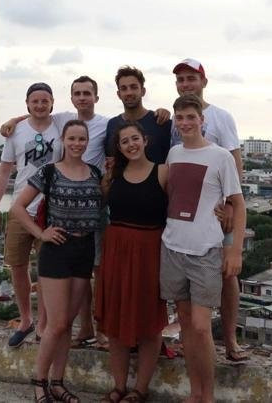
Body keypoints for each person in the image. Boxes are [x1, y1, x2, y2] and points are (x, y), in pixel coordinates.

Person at [0, 75, 116, 347]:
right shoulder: (63, 118)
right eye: (77, 93)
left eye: (88, 93)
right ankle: (50, 324)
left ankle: (95, 329)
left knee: (91, 271)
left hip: (90, 205)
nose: (83, 97)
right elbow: (37, 113)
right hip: (55, 203)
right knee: (55, 270)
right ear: (71, 98)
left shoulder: (107, 123)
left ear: (96, 97)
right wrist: (12, 122)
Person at [10, 119, 103, 403]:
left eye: (82, 139)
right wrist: (41, 233)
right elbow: (18, 207)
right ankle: (39, 382)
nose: (77, 144)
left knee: (68, 323)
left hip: (84, 249)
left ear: (87, 142)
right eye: (72, 138)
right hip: (56, 250)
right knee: (57, 323)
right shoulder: (48, 172)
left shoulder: (95, 173)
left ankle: (59, 382)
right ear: (63, 140)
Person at [161, 94, 245, 403]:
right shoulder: (173, 154)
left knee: (200, 327)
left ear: (202, 120)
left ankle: (206, 395)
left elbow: (238, 204)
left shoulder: (220, 156)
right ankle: (194, 391)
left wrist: (234, 250)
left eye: (190, 117)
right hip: (173, 247)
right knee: (185, 325)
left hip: (205, 250)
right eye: (179, 118)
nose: (185, 123)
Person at [171, 58, 247, 362]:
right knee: (180, 278)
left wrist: (230, 205)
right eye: (181, 80)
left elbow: (235, 162)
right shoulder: (177, 116)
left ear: (203, 81)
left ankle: (230, 340)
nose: (186, 83)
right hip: (185, 213)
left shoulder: (220, 117)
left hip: (218, 211)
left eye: (191, 78)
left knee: (228, 273)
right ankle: (188, 339)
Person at [95, 122, 168, 403]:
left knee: (150, 321)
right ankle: (119, 386)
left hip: (150, 250)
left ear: (145, 140)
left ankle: (141, 389)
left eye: (135, 138)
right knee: (114, 322)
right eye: (124, 141)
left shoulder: (162, 172)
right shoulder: (114, 174)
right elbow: (102, 206)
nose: (130, 145)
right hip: (117, 250)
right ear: (119, 147)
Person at [0, 81, 60, 348]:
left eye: (45, 101)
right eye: (35, 101)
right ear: (27, 104)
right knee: (17, 265)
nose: (40, 105)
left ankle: (43, 323)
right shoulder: (16, 131)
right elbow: (4, 171)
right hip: (21, 207)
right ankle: (26, 319)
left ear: (52, 103)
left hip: (51, 209)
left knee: (46, 270)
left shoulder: (61, 124)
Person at [105, 66, 172, 166]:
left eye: (134, 87)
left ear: (143, 91)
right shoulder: (112, 124)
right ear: (119, 94)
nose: (129, 92)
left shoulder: (160, 121)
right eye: (124, 88)